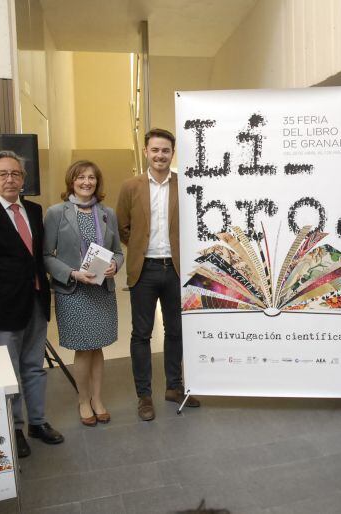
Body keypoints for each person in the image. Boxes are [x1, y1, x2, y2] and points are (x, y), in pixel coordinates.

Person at [0, 150, 64, 458]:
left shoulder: (33, 210)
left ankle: (37, 422)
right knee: (10, 372)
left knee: (34, 367)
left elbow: (36, 257)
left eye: (15, 174)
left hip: (35, 301)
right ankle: (14, 428)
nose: (10, 179)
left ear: (23, 179)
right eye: (3, 174)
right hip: (3, 307)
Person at [116, 128, 200, 422]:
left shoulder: (185, 185)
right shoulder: (131, 187)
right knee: (141, 334)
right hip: (145, 269)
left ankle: (174, 387)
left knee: (176, 331)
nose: (160, 155)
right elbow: (122, 227)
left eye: (165, 150)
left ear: (172, 153)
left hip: (176, 269)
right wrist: (139, 247)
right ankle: (144, 396)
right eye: (155, 150)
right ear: (146, 152)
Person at [43, 160, 124, 426]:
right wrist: (72, 273)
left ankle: (97, 399)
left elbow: (119, 252)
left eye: (91, 177)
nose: (86, 182)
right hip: (75, 290)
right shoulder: (57, 212)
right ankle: (83, 400)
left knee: (98, 347)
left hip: (102, 290)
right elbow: (45, 256)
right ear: (72, 181)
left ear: (97, 182)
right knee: (83, 348)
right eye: (81, 177)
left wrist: (115, 265)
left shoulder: (107, 213)